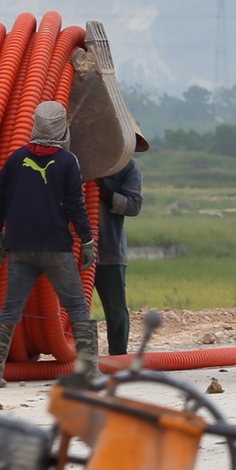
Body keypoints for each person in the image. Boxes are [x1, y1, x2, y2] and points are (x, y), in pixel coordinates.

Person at [0, 101, 99, 388]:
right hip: (55, 248)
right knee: (76, 308)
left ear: (35, 126)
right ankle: (91, 372)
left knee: (11, 308)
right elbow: (76, 205)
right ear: (62, 129)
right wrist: (87, 241)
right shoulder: (67, 161)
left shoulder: (15, 158)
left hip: (19, 247)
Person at [93, 134, 148, 359]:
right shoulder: (73, 164)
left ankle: (118, 357)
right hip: (73, 250)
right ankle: (75, 357)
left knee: (115, 309)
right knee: (73, 309)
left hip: (109, 250)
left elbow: (134, 205)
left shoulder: (128, 170)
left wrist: (108, 194)